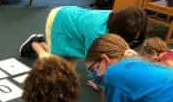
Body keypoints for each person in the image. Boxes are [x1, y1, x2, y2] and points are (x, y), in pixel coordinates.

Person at [19, 6, 149, 63]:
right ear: (119, 30)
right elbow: (91, 60)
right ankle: (36, 43)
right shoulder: (97, 32)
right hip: (59, 20)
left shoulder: (118, 21)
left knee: (68, 61)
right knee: (55, 67)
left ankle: (43, 41)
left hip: (75, 24)